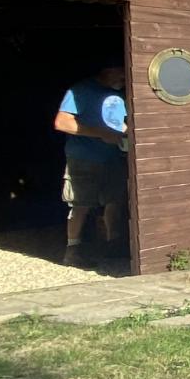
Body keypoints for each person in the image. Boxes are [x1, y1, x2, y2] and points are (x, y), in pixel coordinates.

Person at [54, 63, 129, 264]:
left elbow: (118, 122)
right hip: (84, 157)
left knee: (114, 200)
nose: (124, 80)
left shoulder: (121, 93)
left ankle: (112, 244)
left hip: (114, 157)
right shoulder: (80, 90)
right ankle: (72, 250)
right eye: (121, 75)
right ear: (108, 70)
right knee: (81, 203)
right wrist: (100, 134)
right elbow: (62, 122)